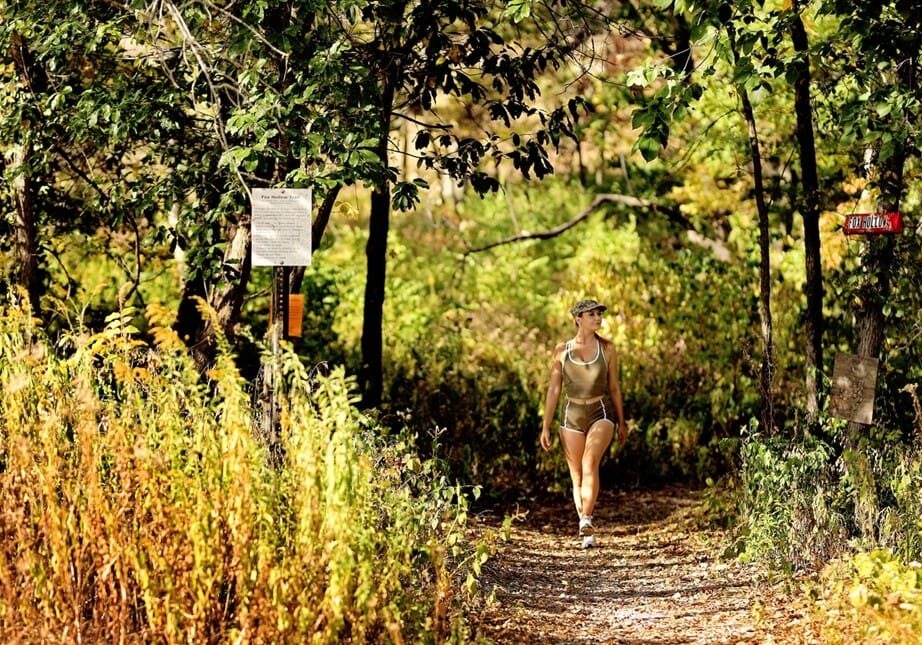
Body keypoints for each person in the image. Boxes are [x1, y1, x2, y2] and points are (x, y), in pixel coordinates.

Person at [540, 298, 626, 548]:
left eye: (599, 314)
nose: (598, 318)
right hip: (571, 414)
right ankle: (586, 532)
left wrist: (622, 421)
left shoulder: (608, 348)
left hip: (601, 411)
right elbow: (554, 390)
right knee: (576, 474)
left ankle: (586, 517)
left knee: (590, 461)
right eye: (591, 315)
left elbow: (614, 388)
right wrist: (546, 426)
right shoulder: (561, 350)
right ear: (578, 319)